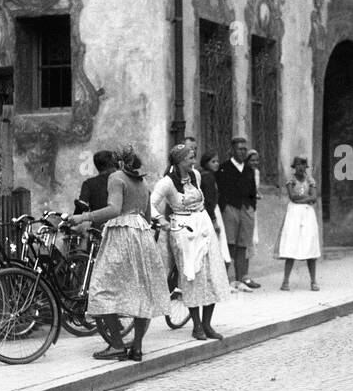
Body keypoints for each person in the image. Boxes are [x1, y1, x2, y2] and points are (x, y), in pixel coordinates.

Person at [63, 144, 171, 362]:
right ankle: (137, 347)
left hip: (121, 234)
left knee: (100, 289)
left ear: (119, 162)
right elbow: (148, 218)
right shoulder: (142, 182)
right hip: (142, 235)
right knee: (142, 292)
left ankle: (117, 346)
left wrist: (83, 217)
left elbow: (113, 209)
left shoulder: (116, 178)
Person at [151, 143, 229, 340]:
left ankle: (207, 324)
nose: (194, 161)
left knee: (211, 273)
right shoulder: (167, 183)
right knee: (192, 275)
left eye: (194, 157)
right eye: (190, 158)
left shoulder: (197, 176)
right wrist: (161, 220)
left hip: (203, 226)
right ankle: (196, 326)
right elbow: (150, 203)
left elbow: (200, 199)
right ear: (179, 161)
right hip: (183, 230)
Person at [218, 136, 261, 291]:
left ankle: (241, 279)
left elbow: (252, 190)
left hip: (246, 209)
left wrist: (251, 207)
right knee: (229, 244)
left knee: (243, 245)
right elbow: (220, 191)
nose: (242, 152)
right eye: (239, 149)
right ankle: (223, 280)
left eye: (244, 149)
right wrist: (225, 207)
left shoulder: (249, 170)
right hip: (230, 209)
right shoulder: (224, 168)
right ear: (232, 150)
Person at [276, 155, 321, 290]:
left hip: (308, 214)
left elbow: (314, 197)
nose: (300, 167)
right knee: (291, 243)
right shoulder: (291, 180)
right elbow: (292, 197)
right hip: (294, 213)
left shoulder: (310, 180)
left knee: (310, 244)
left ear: (306, 167)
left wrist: (304, 199)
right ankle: (285, 281)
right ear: (294, 167)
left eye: (303, 164)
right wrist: (307, 198)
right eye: (298, 165)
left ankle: (313, 281)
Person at [200, 151, 232, 268]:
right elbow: (209, 201)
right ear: (205, 163)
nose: (217, 164)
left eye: (218, 161)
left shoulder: (207, 175)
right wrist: (214, 220)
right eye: (213, 161)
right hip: (212, 211)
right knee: (218, 243)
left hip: (211, 211)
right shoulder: (208, 177)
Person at [75, 149, 115, 215]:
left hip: (98, 223)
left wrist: (71, 221)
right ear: (111, 164)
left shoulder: (88, 184)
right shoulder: (121, 181)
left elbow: (80, 207)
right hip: (121, 223)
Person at [246, 148, 263, 252]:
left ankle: (251, 248)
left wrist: (258, 194)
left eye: (256, 160)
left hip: (253, 203)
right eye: (252, 160)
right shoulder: (244, 172)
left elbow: (256, 189)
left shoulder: (256, 172)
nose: (255, 163)